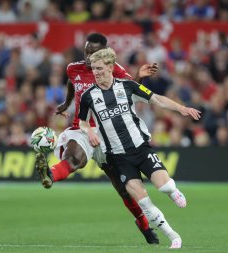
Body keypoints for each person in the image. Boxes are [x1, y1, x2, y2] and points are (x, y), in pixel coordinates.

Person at [35, 33, 160, 244]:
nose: (88, 56)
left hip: (109, 133)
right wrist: (66, 104)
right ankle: (49, 174)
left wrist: (140, 76)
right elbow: (71, 83)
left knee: (125, 190)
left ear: (103, 53)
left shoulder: (114, 69)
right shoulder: (73, 68)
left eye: (93, 52)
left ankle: (144, 225)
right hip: (82, 128)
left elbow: (131, 90)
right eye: (86, 51)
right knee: (76, 159)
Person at [78, 48, 201, 248]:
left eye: (100, 68)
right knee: (144, 202)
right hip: (118, 158)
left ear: (110, 67)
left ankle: (173, 190)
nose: (96, 72)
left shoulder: (128, 86)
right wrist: (89, 132)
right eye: (93, 69)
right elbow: (82, 122)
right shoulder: (88, 96)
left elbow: (157, 99)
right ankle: (173, 236)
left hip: (141, 149)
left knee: (165, 186)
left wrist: (182, 109)